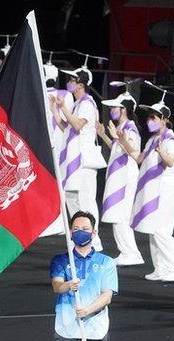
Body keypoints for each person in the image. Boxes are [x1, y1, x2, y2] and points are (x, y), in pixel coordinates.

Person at [118, 100, 174, 282]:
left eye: (153, 117)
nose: (149, 121)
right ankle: (160, 268)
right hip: (152, 189)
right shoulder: (152, 140)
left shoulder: (169, 139)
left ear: (164, 119)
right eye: (149, 117)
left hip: (165, 189)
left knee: (162, 230)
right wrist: (123, 141)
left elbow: (171, 161)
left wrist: (160, 152)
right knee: (152, 228)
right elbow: (138, 158)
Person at [49, 69, 103, 251]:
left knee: (86, 200)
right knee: (71, 197)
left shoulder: (87, 103)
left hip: (84, 159)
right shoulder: (77, 103)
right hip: (73, 160)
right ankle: (79, 237)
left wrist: (63, 107)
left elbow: (79, 124)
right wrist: (54, 110)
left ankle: (94, 240)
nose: (69, 81)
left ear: (81, 84)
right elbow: (67, 127)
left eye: (73, 79)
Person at [50, 211, 117, 341]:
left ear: (94, 232)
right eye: (76, 229)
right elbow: (57, 286)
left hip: (96, 329)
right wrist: (68, 285)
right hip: (67, 328)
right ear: (70, 232)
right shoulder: (60, 260)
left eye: (85, 229)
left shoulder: (106, 262)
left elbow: (107, 296)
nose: (80, 232)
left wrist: (88, 310)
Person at [97, 92, 144, 266]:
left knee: (122, 215)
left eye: (115, 107)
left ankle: (131, 253)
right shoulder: (123, 129)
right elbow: (116, 148)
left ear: (124, 109)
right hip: (117, 175)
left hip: (125, 176)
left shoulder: (130, 129)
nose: (112, 110)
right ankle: (126, 252)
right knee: (117, 214)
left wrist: (119, 138)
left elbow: (133, 153)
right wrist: (104, 135)